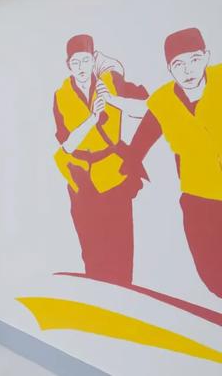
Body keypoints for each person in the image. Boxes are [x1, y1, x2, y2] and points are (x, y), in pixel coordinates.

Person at [125, 27, 222, 298]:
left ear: (206, 56)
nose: (188, 70)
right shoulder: (163, 102)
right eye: (178, 64)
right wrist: (128, 170)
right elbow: (139, 145)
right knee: (212, 275)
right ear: (169, 69)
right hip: (198, 197)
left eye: (194, 59)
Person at [52, 34, 148, 285]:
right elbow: (67, 144)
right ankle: (99, 298)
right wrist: (93, 119)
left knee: (121, 244)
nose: (81, 68)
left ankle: (124, 296)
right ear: (68, 65)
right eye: (75, 62)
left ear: (94, 60)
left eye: (85, 60)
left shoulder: (111, 81)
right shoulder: (61, 95)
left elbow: (148, 108)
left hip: (114, 175)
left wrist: (113, 100)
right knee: (91, 247)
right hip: (80, 178)